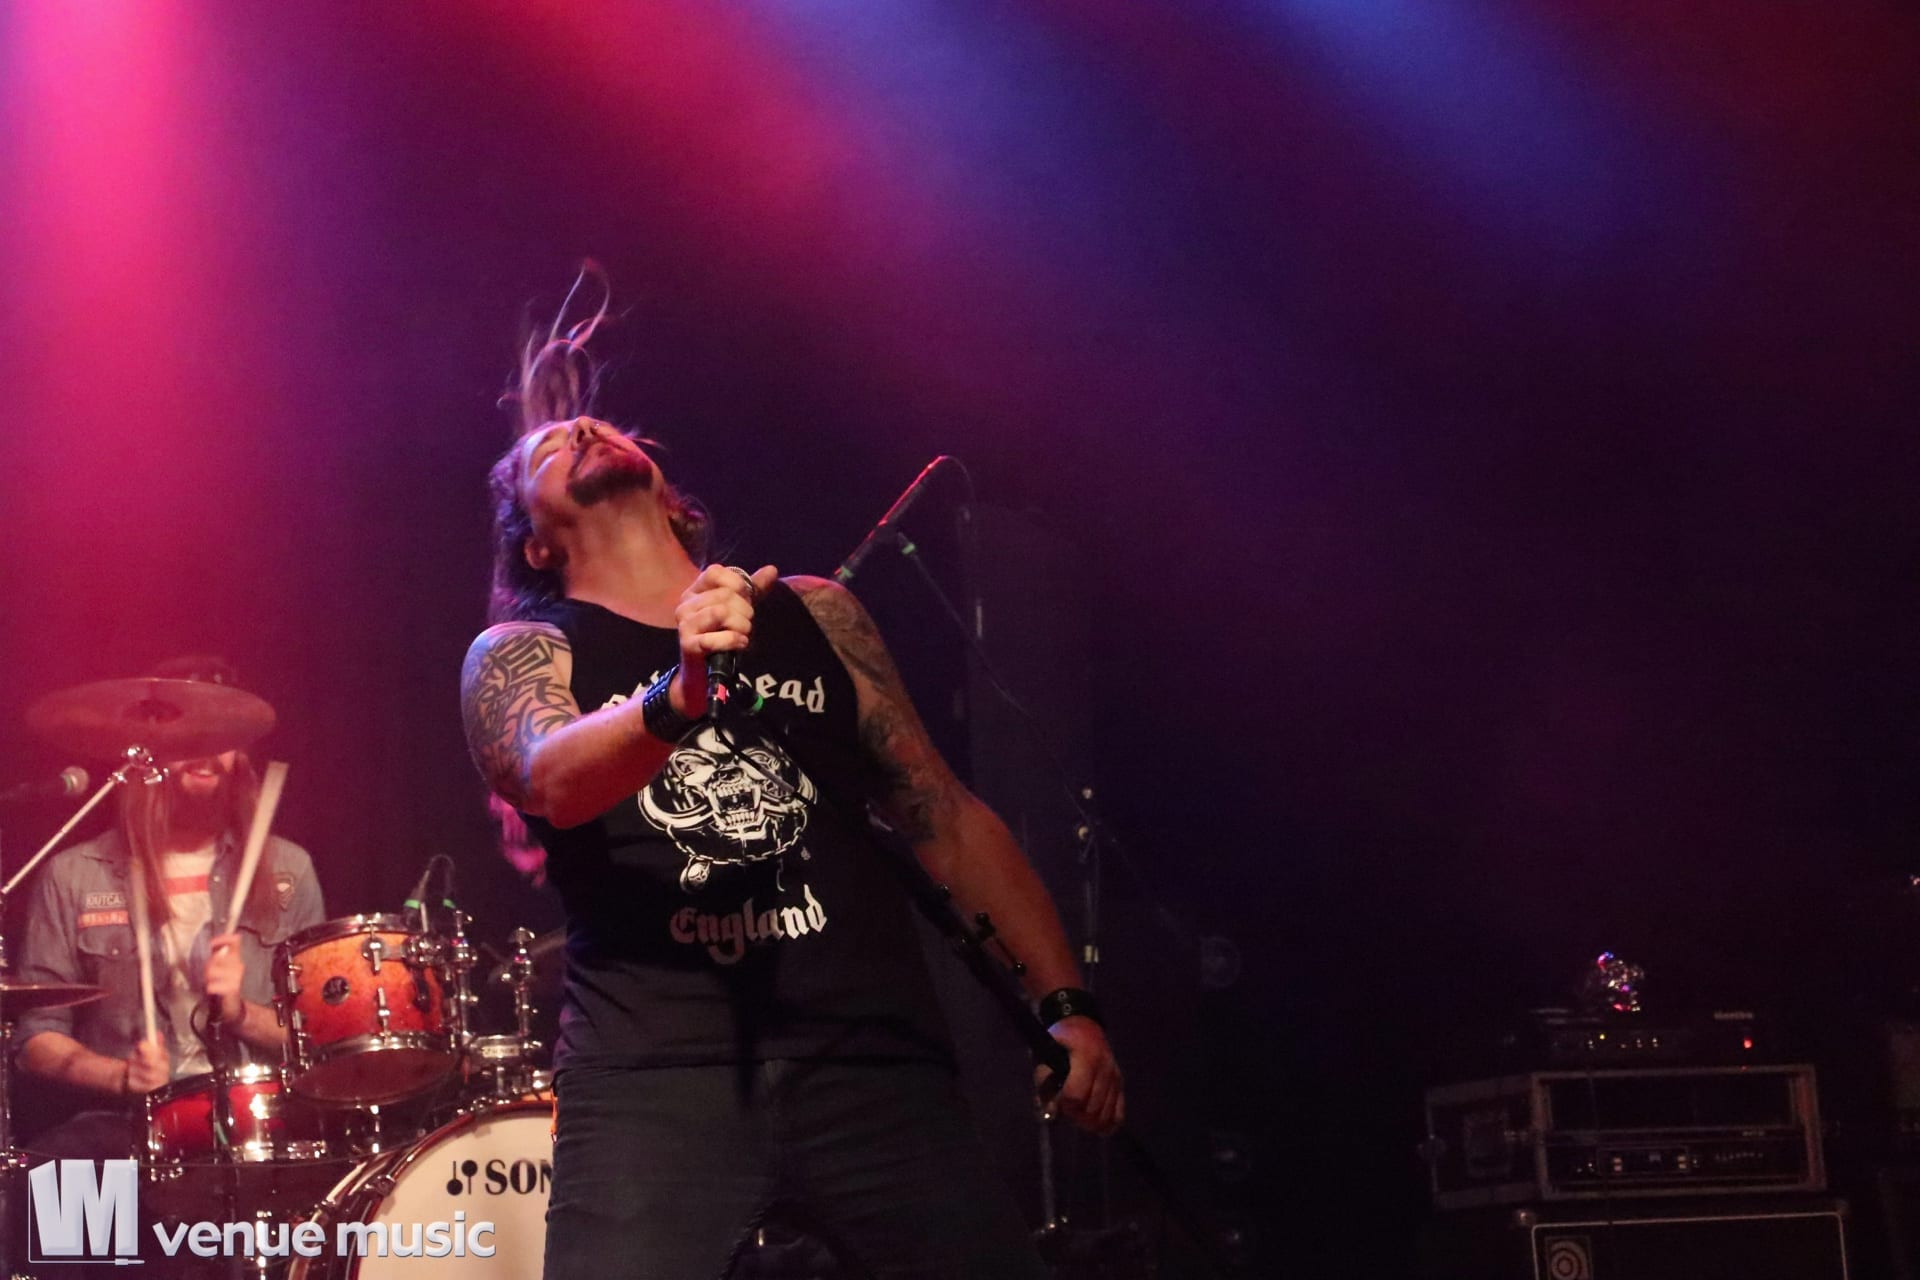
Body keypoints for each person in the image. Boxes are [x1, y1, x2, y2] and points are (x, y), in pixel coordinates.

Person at [460, 289, 1123, 1279]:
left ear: (674, 498)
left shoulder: (816, 612)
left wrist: (1065, 1001)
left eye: (595, 425)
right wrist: (678, 695)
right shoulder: (524, 649)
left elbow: (941, 814)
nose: (581, 431)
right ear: (536, 544)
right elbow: (550, 776)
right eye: (548, 450)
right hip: (654, 1075)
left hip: (871, 1057)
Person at [14, 656, 326, 1155]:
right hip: (121, 1122)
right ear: (148, 753)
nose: (207, 752)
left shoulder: (289, 869)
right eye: (189, 736)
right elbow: (35, 1039)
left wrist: (240, 1014)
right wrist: (121, 1075)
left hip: (256, 1117)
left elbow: (319, 1034)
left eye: (222, 736)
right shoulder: (74, 874)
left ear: (241, 754)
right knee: (52, 1190)